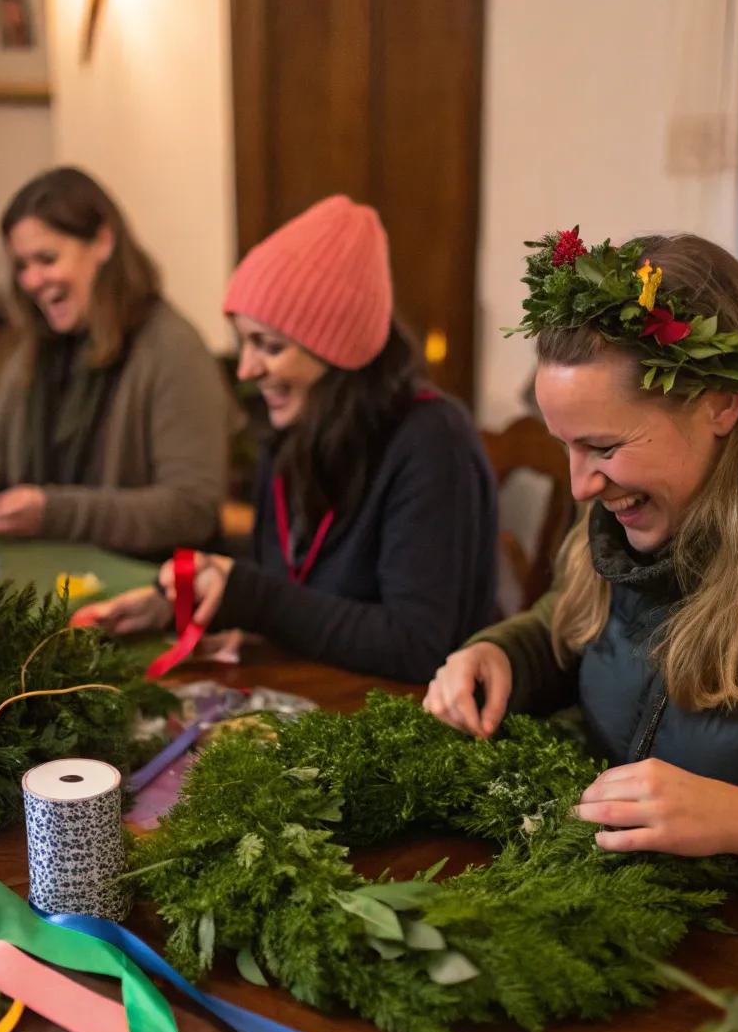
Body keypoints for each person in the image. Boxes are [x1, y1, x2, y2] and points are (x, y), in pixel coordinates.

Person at [425, 227, 738, 926]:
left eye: (602, 447)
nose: (578, 487)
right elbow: (576, 621)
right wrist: (505, 652)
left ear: (721, 403)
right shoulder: (637, 504)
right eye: (566, 448)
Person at [81, 194, 497, 683]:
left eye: (270, 346)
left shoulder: (431, 441)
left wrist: (251, 598)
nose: (246, 369)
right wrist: (176, 597)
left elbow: (414, 645)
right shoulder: (299, 424)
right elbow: (290, 582)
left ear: (336, 348)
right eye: (244, 343)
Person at [0, 167, 229, 558]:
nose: (32, 280)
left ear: (103, 242)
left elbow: (192, 510)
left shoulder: (173, 349)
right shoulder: (37, 346)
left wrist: (54, 512)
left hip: (144, 587)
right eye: (22, 265)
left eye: (47, 258)